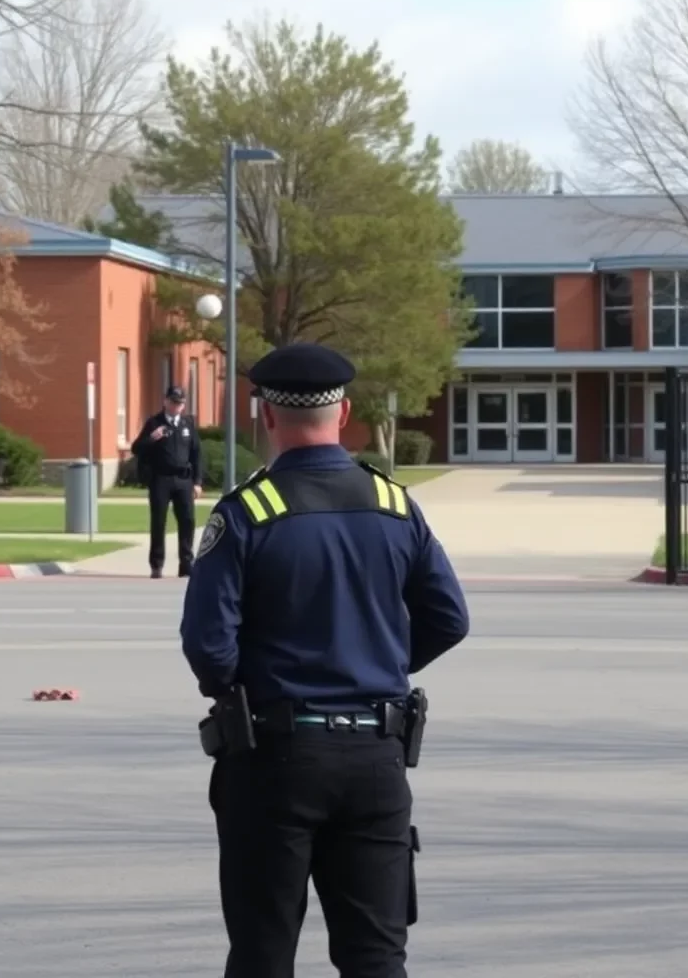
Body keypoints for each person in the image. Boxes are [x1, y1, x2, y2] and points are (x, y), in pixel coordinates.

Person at [179, 342, 469, 978]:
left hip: (274, 755)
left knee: (263, 952)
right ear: (344, 413)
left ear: (265, 415)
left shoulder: (248, 513)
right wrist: (381, 663)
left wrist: (250, 687)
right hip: (376, 755)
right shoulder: (396, 508)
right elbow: (450, 619)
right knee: (375, 958)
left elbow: (208, 645)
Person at [130, 385, 203, 579]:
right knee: (159, 522)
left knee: (187, 521)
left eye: (180, 403)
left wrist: (197, 481)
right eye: (173, 402)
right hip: (160, 479)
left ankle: (186, 564)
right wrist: (152, 438)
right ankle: (156, 565)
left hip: (183, 479)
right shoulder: (154, 423)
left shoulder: (188, 424)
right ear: (165, 401)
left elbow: (196, 454)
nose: (176, 406)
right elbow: (136, 448)